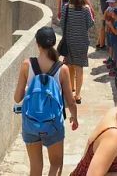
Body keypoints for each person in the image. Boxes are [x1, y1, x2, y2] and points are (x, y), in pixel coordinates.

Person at [14, 26, 78, 176]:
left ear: (37, 43)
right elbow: (71, 101)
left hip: (30, 123)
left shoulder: (26, 65)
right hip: (53, 124)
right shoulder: (62, 69)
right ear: (54, 44)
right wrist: (74, 117)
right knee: (56, 164)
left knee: (35, 167)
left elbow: (17, 98)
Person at [60, 0, 94, 104]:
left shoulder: (66, 7)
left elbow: (61, 23)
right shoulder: (85, 9)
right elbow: (90, 24)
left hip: (69, 41)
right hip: (82, 42)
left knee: (69, 65)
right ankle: (78, 95)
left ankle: (71, 89)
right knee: (79, 68)